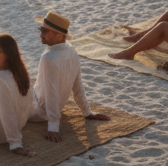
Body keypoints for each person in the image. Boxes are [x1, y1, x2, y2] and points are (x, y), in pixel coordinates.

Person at [29, 11, 109, 143]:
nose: (40, 34)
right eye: (40, 29)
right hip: (49, 107)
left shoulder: (48, 58)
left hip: (36, 111)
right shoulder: (72, 51)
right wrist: (87, 112)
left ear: (59, 35)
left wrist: (53, 126)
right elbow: (78, 85)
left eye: (44, 30)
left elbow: (52, 93)